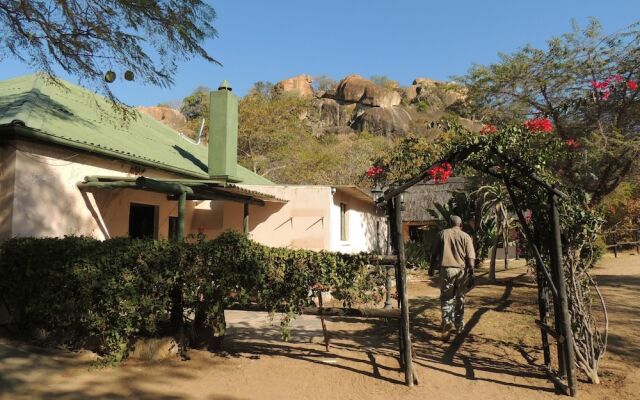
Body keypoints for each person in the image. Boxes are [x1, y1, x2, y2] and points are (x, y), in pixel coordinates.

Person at [429, 215, 476, 341]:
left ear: (450, 223)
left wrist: (431, 268)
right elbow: (470, 257)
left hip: (447, 270)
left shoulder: (442, 234)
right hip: (461, 270)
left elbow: (434, 253)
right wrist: (471, 273)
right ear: (461, 225)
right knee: (460, 297)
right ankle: (459, 326)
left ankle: (447, 321)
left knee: (446, 297)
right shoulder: (466, 236)